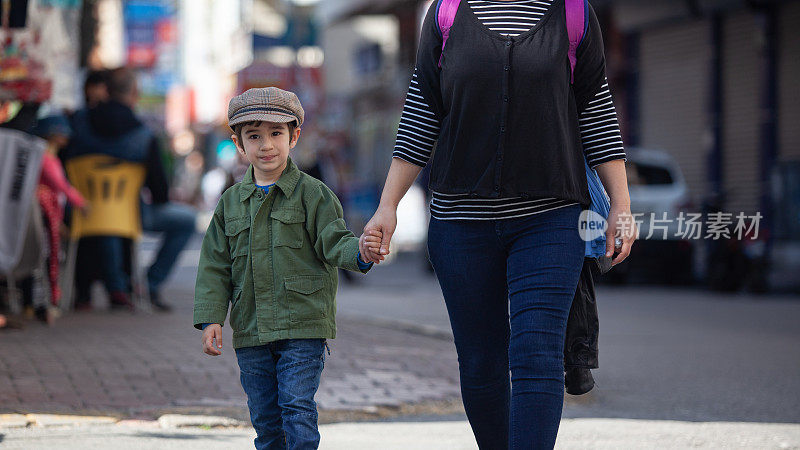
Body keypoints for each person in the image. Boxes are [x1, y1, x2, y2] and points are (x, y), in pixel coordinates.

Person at [360, 1, 637, 448]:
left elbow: (596, 110)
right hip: (460, 223)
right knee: (481, 361)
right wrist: (388, 205)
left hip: (550, 218)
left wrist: (621, 204)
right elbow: (421, 111)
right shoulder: (446, 13)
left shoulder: (573, 13)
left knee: (537, 353)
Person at [193, 87, 379, 449]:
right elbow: (215, 265)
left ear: (294, 137)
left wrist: (360, 252)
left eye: (276, 133)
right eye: (254, 136)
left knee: (296, 406)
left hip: (303, 324)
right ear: (238, 143)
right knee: (265, 418)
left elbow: (334, 238)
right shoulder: (230, 203)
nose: (266, 145)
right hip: (251, 328)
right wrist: (211, 317)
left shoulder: (314, 193)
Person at [64, 67, 196, 311]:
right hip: (130, 216)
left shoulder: (77, 123)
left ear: (106, 90)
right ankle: (148, 284)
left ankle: (105, 287)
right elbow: (160, 193)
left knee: (104, 220)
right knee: (187, 220)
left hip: (80, 213)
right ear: (135, 92)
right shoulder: (144, 135)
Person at [31, 115, 88, 319]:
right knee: (46, 258)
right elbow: (60, 184)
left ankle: (43, 303)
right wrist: (80, 202)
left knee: (47, 259)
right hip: (45, 216)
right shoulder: (46, 158)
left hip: (50, 215)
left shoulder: (47, 156)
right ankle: (44, 303)